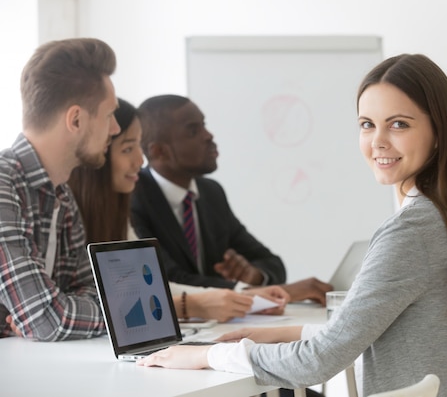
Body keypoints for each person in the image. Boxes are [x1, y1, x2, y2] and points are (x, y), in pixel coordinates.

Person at [136, 54, 447, 397]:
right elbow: (377, 335)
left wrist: (206, 354)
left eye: (399, 125)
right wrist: (273, 334)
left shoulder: (412, 233)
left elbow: (318, 363)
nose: (377, 142)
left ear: (438, 132)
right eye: (367, 124)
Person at [67, 98, 289, 323]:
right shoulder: (133, 197)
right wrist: (205, 302)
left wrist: (245, 292)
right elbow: (155, 281)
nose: (140, 160)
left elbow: (150, 285)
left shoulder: (211, 193)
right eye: (127, 148)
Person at [130, 95, 333, 303]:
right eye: (193, 130)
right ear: (159, 151)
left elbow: (271, 263)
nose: (208, 136)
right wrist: (259, 293)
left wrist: (253, 275)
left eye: (204, 125)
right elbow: (166, 280)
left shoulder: (211, 193)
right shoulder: (133, 198)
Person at [0, 38, 120, 340]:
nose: (115, 129)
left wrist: (58, 311)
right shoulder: (3, 184)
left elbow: (92, 290)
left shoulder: (61, 194)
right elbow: (48, 319)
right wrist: (117, 315)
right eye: (109, 115)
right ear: (76, 119)